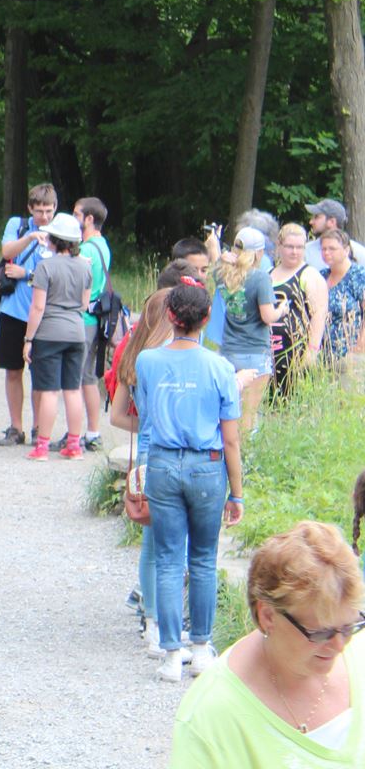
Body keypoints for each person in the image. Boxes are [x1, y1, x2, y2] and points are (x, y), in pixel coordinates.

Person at [170, 521, 365, 764]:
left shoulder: (359, 652)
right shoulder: (210, 716)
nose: (339, 645)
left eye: (349, 627)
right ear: (268, 616)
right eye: (321, 633)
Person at [137, 284, 244, 682]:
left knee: (168, 559)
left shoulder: (147, 361)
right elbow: (230, 439)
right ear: (207, 318)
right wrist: (237, 493)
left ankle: (169, 653)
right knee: (202, 559)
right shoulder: (221, 368)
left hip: (163, 463)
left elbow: (146, 415)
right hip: (207, 466)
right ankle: (201, 648)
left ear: (170, 316)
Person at [107, 287, 174, 655]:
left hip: (147, 452)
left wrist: (146, 427)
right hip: (175, 451)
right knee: (176, 543)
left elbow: (116, 416)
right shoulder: (173, 358)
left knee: (150, 542)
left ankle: (151, 618)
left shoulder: (133, 356)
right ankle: (171, 617)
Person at [22, 214, 92, 462]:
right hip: (76, 333)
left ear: (54, 239)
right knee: (72, 389)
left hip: (49, 333)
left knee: (49, 391)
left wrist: (28, 339)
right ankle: (74, 445)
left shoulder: (45, 267)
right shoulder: (85, 266)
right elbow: (84, 304)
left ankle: (42, 446)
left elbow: (38, 307)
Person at [0, 183, 57, 446]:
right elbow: (7, 252)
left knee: (40, 374)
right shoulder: (17, 226)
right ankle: (15, 427)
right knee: (12, 370)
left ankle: (38, 428)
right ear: (30, 208)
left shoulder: (59, 233)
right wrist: (30, 237)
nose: (44, 216)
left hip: (44, 314)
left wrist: (26, 274)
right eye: (39, 211)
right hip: (13, 311)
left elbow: (59, 272)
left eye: (49, 211)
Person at [212, 225, 282, 434]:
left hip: (227, 351)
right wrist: (282, 309)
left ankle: (226, 446)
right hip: (254, 352)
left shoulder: (222, 273)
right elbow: (267, 316)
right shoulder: (260, 278)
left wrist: (221, 256)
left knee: (228, 410)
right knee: (249, 413)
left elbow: (214, 255)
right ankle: (246, 451)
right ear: (259, 253)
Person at [268, 223, 328, 400]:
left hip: (296, 352)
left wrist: (312, 350)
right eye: (289, 247)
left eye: (299, 247)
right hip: (269, 351)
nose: (294, 252)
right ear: (279, 246)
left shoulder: (310, 275)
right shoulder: (268, 273)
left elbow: (319, 315)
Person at [74, 197, 111, 451]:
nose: (73, 218)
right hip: (96, 319)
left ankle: (74, 435)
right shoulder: (103, 245)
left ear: (89, 219)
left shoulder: (86, 250)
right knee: (88, 378)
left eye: (77, 214)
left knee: (74, 379)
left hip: (83, 319)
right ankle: (92, 432)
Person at [320, 228, 365, 365]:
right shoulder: (321, 276)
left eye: (332, 249)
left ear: (346, 250)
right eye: (324, 249)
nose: (327, 252)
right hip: (322, 355)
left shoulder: (358, 275)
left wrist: (360, 346)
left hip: (349, 354)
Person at [307, 198, 365, 266]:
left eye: (316, 217)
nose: (311, 222)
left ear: (332, 222)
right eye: (324, 249)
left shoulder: (358, 253)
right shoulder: (305, 251)